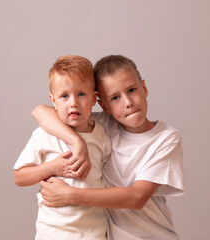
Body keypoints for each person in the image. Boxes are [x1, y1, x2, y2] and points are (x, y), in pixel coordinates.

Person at [33, 55, 184, 240]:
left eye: (132, 90)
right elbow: (40, 111)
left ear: (144, 88)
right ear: (103, 105)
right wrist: (76, 141)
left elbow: (137, 197)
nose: (128, 102)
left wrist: (70, 194)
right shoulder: (105, 125)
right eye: (115, 98)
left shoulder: (165, 138)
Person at [13, 55, 111, 240]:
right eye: (64, 96)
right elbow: (19, 177)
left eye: (81, 94)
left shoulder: (102, 136)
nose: (73, 102)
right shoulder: (44, 134)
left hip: (94, 232)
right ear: (53, 100)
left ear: (93, 98)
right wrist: (51, 168)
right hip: (52, 233)